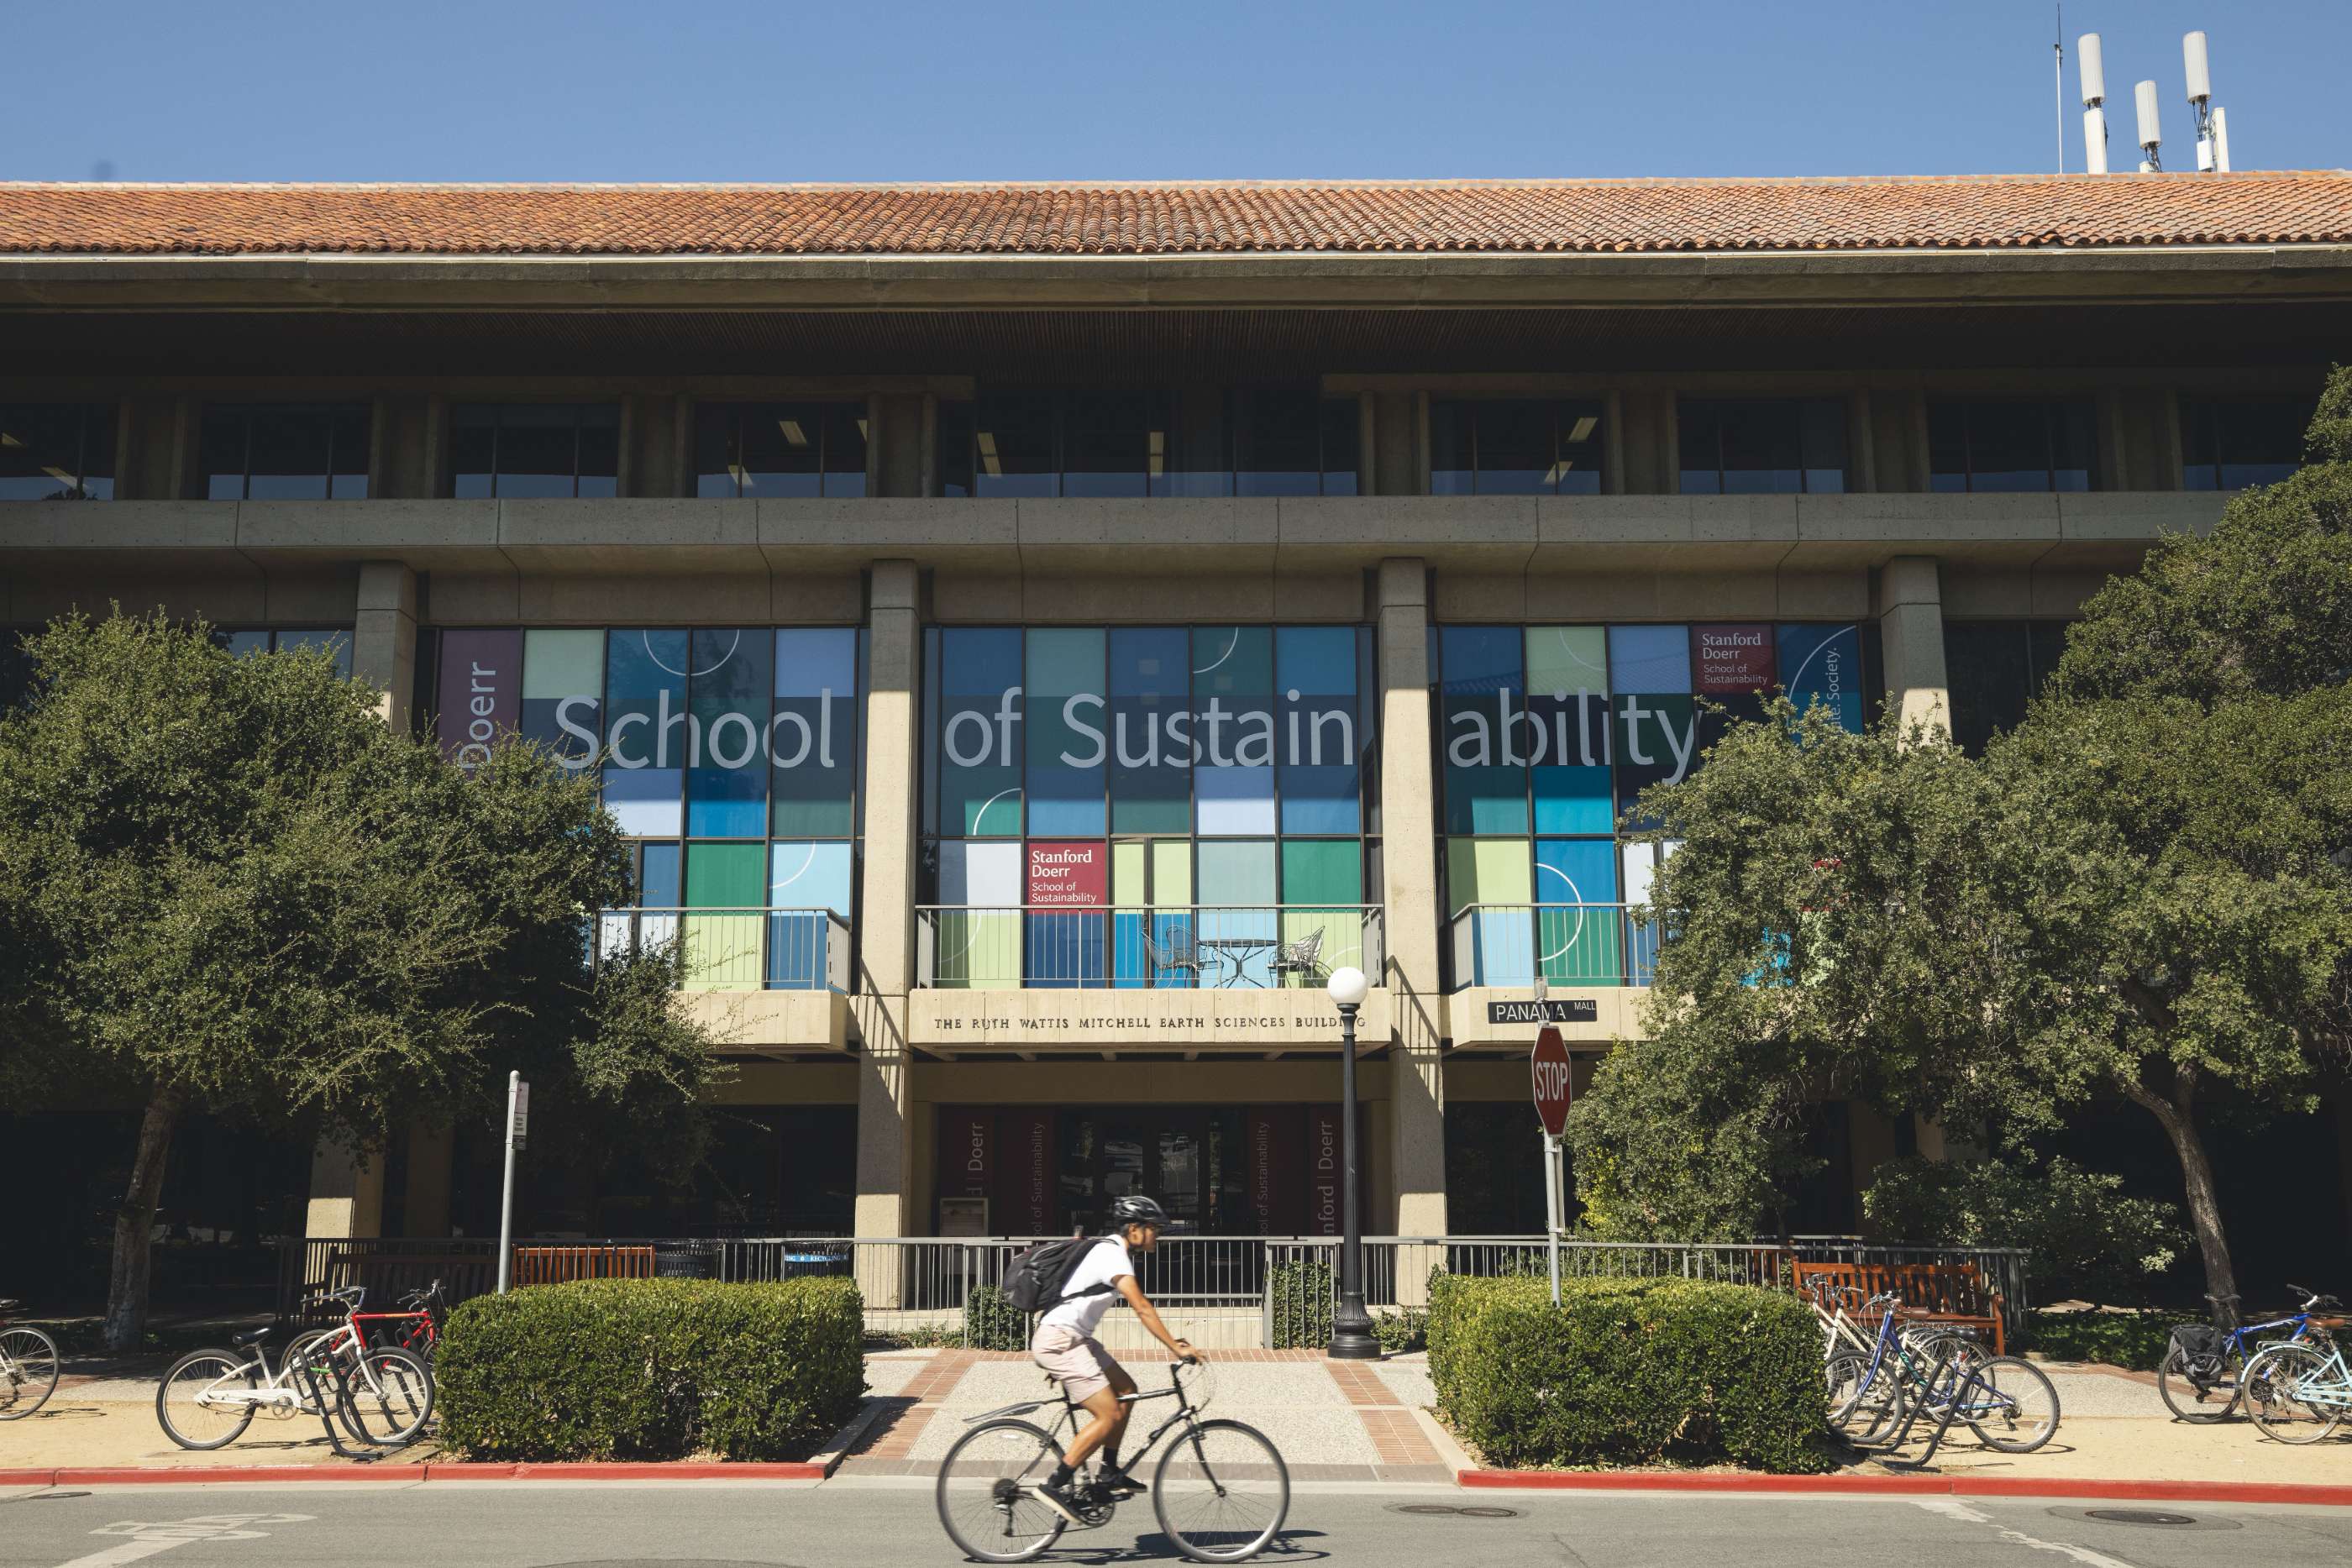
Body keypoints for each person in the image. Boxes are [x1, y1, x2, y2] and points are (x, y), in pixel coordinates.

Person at [1029, 1193, 1202, 1523]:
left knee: (1126, 1390)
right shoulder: (1113, 1255)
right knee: (1107, 1415)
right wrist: (1175, 1348)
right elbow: (1142, 1307)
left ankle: (1108, 1472)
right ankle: (1054, 1485)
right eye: (1154, 1229)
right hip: (1061, 1340)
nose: (1158, 1236)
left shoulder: (1111, 1250)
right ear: (1135, 1229)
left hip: (1073, 1338)